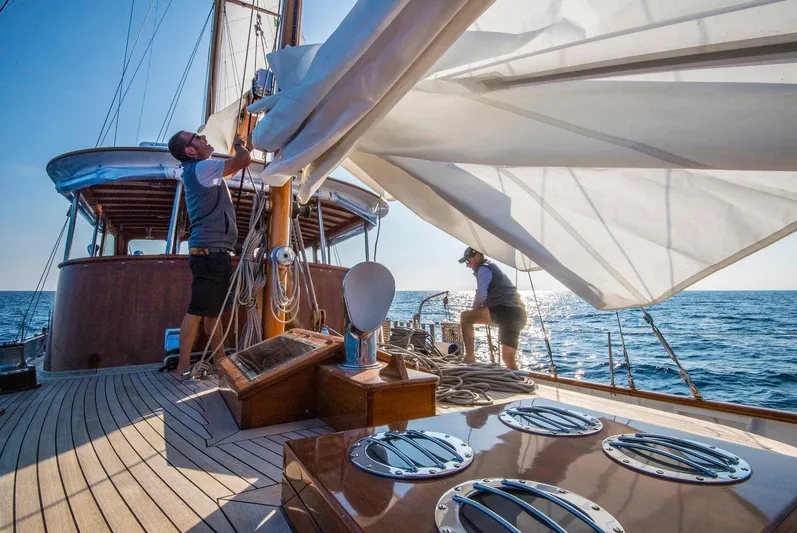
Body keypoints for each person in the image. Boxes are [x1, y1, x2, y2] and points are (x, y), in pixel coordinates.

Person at [167, 130, 252, 378]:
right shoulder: (202, 168)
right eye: (197, 136)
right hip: (210, 254)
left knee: (211, 311)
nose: (204, 136)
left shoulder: (201, 171)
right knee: (196, 311)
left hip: (211, 253)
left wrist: (246, 145)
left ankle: (220, 360)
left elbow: (234, 168)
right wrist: (238, 144)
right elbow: (243, 160)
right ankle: (183, 368)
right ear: (191, 150)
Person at [458, 247, 527, 369]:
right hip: (518, 314)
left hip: (505, 310)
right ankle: (517, 382)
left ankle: (469, 359)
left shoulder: (483, 268)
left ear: (478, 256)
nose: (468, 265)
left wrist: (474, 309)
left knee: (465, 317)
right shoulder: (492, 267)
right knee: (508, 360)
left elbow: (481, 294)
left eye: (468, 261)